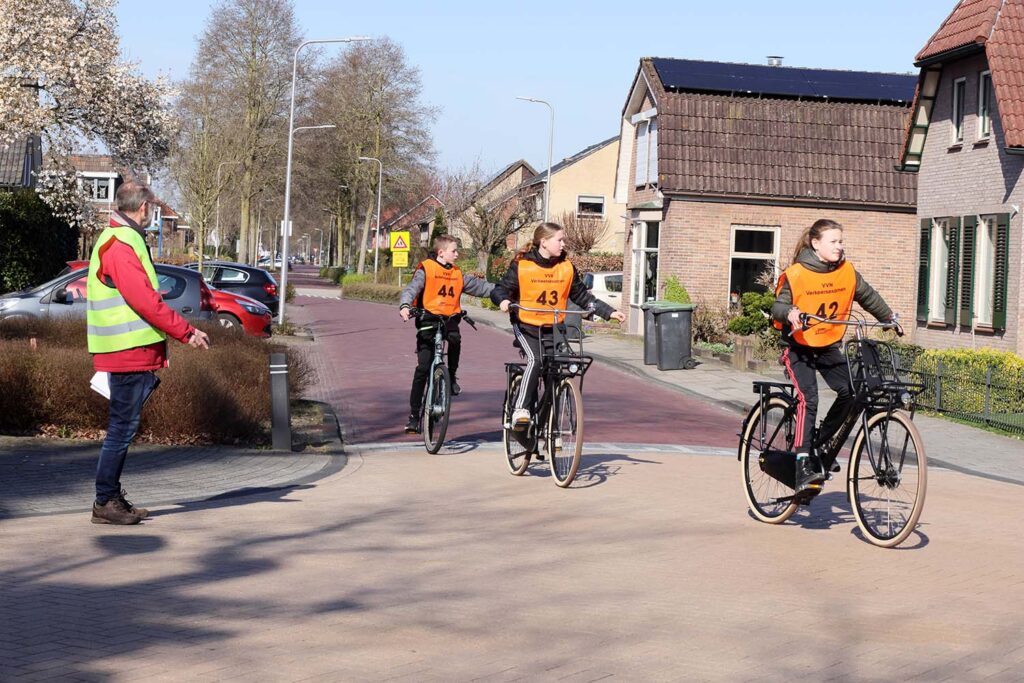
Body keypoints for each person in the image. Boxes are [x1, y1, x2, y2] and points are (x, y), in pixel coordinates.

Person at [87, 182, 210, 525]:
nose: (153, 213)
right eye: (153, 207)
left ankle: (109, 498)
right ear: (143, 208)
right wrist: (187, 332)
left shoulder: (122, 239)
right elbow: (144, 301)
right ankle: (105, 501)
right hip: (126, 351)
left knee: (123, 427)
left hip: (130, 351)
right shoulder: (121, 243)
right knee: (122, 428)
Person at [771, 218, 901, 494]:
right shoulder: (796, 274)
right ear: (816, 244)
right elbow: (778, 306)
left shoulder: (847, 272)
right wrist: (791, 313)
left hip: (828, 346)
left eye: (841, 241)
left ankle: (823, 443)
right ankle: (803, 461)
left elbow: (867, 296)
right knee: (810, 397)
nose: (840, 246)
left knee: (852, 391)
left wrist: (889, 317)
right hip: (799, 348)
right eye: (834, 241)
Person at [491, 222, 626, 430]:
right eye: (559, 240)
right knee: (535, 360)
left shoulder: (566, 267)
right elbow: (500, 289)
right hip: (526, 325)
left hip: (553, 327)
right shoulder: (523, 265)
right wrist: (503, 301)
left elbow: (582, 296)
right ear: (543, 242)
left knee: (557, 370)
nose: (563, 244)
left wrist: (609, 312)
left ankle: (549, 424)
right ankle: (521, 409)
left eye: (563, 240)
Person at [399, 234, 493, 434]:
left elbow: (481, 287)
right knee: (423, 368)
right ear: (441, 252)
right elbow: (412, 289)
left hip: (449, 319)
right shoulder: (427, 269)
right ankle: (414, 416)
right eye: (454, 251)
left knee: (455, 338)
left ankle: (451, 376)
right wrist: (405, 305)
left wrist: (505, 292)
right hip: (428, 320)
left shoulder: (458, 274)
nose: (457, 255)